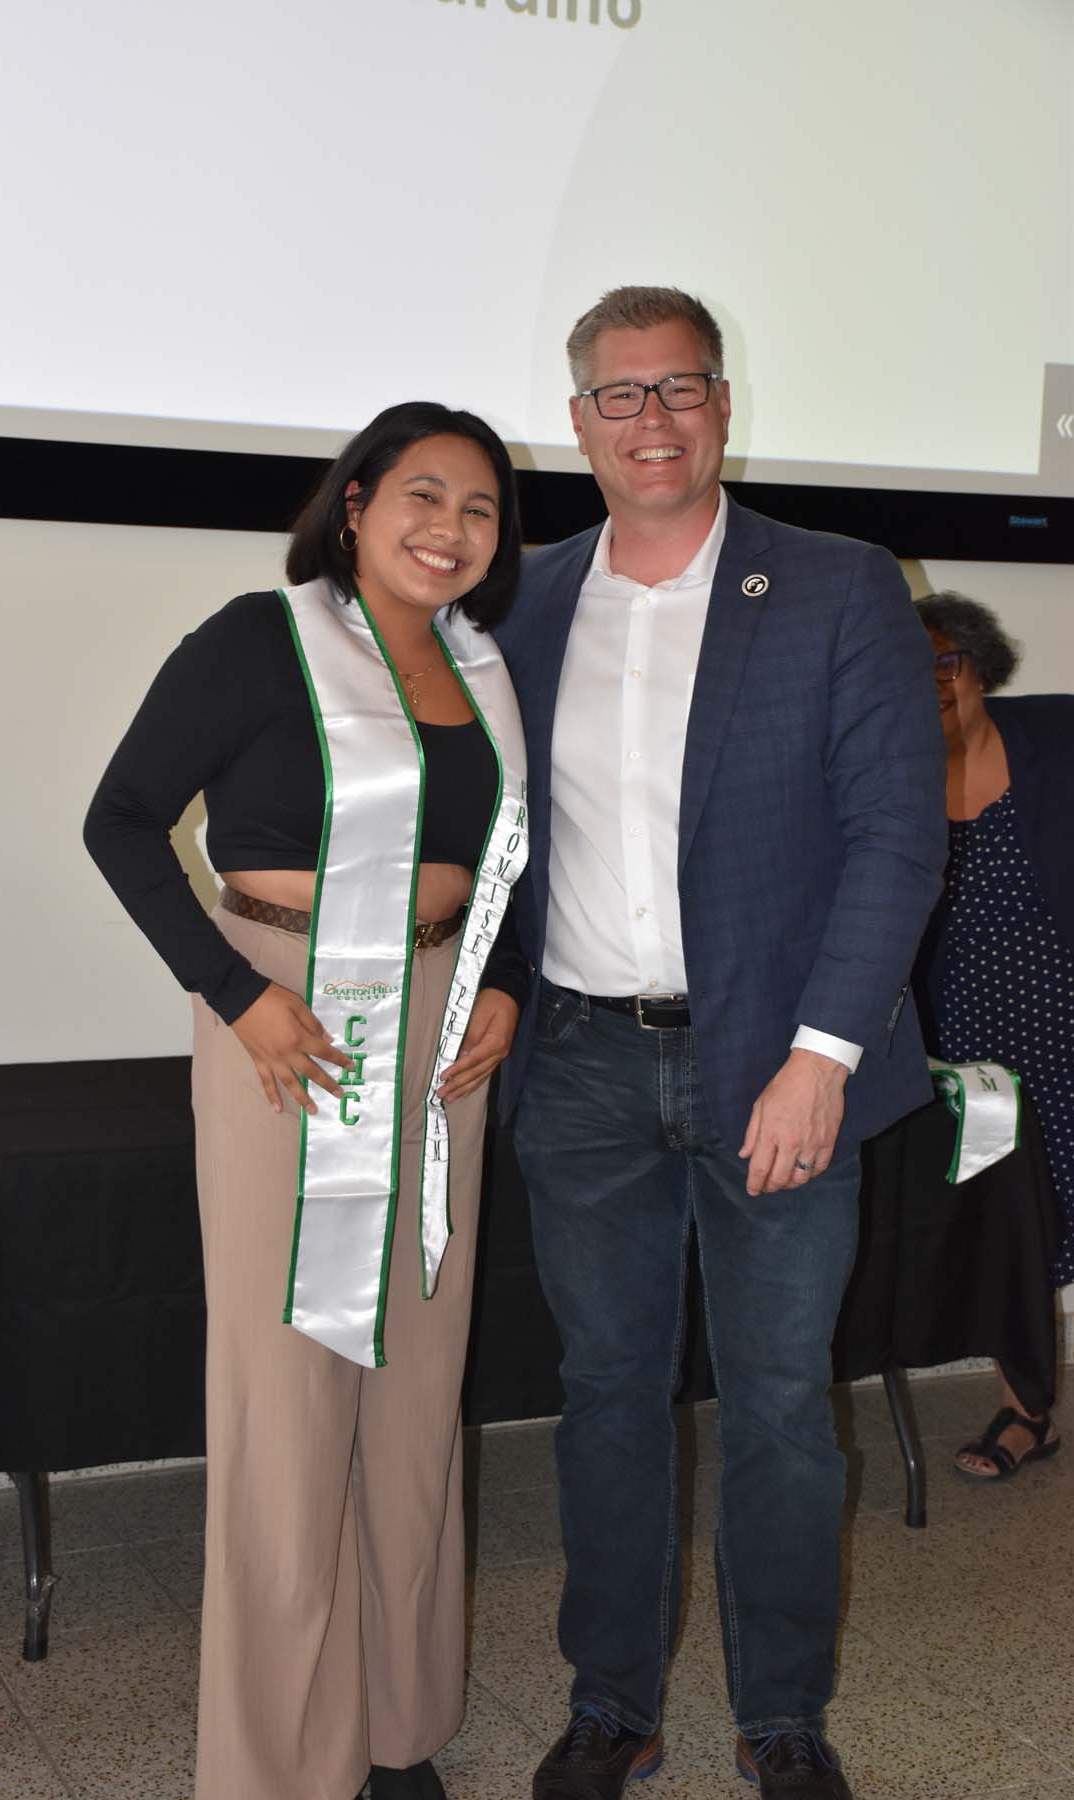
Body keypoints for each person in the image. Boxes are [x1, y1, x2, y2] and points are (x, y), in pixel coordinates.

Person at [493, 286, 946, 1800]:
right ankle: (612, 1700)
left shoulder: (834, 583)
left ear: (724, 402)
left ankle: (783, 1716)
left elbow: (895, 835)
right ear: (578, 425)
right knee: (608, 1396)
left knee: (773, 1410)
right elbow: (496, 831)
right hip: (582, 1069)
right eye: (620, 397)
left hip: (776, 1069)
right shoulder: (532, 596)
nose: (654, 422)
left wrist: (822, 1055)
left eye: (680, 388)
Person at [84, 401, 529, 1800]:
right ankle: (282, 1759)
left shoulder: (486, 672)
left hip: (444, 1035)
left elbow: (508, 857)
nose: (449, 528)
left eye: (478, 508)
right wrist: (237, 994)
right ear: (354, 504)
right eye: (422, 494)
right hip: (291, 1031)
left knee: (413, 1394)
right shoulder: (256, 640)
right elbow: (120, 820)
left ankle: (397, 1726)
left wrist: (501, 980)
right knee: (291, 1401)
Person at [913, 590, 1072, 1480]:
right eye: (908, 667)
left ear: (977, 664)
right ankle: (1028, 1412)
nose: (931, 682)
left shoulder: (1053, 737)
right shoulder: (881, 771)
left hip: (1065, 1018)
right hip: (964, 1043)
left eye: (946, 661)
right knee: (1011, 1226)